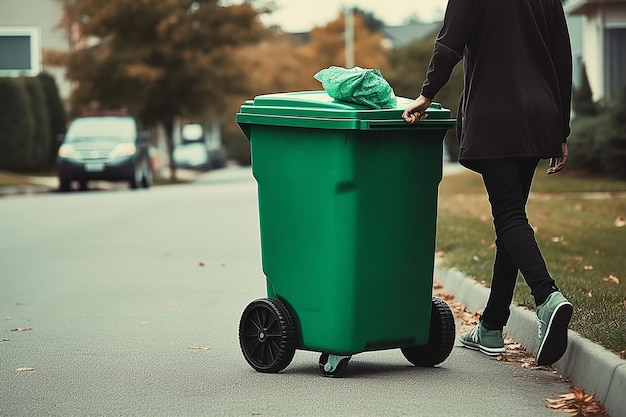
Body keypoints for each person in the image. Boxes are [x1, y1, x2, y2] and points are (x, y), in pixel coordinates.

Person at [402, 0, 574, 365]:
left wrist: (426, 94)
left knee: (509, 216)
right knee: (511, 221)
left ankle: (547, 297)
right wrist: (561, 130)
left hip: (497, 115)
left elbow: (449, 43)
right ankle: (491, 328)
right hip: (540, 115)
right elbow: (563, 58)